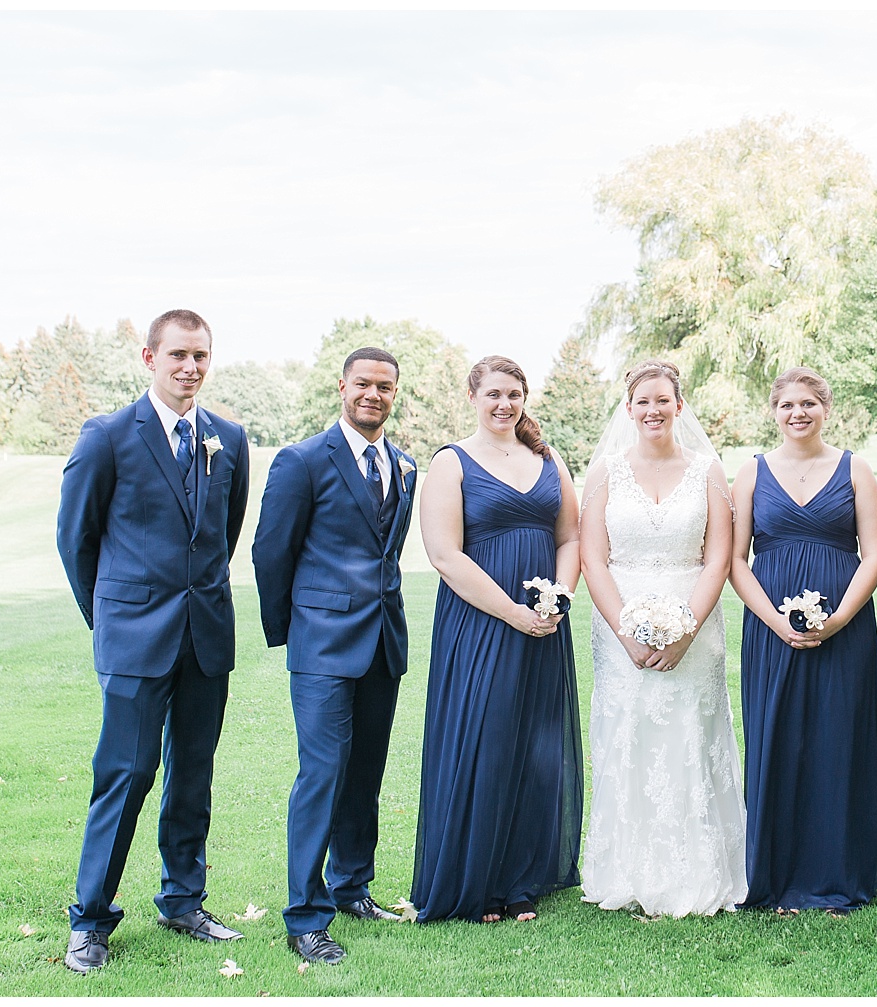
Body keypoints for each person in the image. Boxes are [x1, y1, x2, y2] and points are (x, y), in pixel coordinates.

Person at [55, 309, 250, 973]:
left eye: (201, 354)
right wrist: (112, 619)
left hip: (206, 638)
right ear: (148, 358)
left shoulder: (229, 438)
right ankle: (90, 919)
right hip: (135, 640)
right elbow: (75, 540)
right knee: (127, 773)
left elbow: (225, 532)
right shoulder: (108, 436)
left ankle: (182, 899)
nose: (191, 367)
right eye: (178, 355)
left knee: (192, 775)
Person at [252, 347, 418, 964]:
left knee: (365, 775)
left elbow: (388, 553)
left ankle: (352, 886)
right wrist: (294, 632)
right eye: (364, 384)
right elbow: (271, 552)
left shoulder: (403, 466)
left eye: (385, 386)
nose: (373, 395)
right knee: (322, 774)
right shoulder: (301, 461)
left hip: (383, 643)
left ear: (394, 394)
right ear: (342, 387)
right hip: (321, 645)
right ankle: (305, 916)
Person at [411, 355, 583, 924]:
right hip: (481, 621)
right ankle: (475, 881)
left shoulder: (546, 457)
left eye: (515, 394)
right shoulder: (450, 463)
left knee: (536, 746)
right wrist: (511, 611)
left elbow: (571, 536)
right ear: (472, 396)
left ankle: (520, 879)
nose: (505, 404)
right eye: (494, 394)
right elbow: (444, 555)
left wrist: (558, 597)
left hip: (544, 624)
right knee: (484, 738)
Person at [579, 360, 746, 918]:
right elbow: (593, 558)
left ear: (679, 405)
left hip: (692, 619)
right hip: (619, 622)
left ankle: (698, 871)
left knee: (689, 737)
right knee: (629, 736)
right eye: (642, 401)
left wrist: (686, 629)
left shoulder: (708, 471)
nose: (652, 410)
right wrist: (626, 630)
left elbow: (718, 557)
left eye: (662, 400)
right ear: (628, 409)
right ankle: (626, 871)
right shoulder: (605, 472)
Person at [730, 367, 877, 915]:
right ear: (773, 412)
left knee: (837, 739)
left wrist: (842, 617)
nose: (798, 413)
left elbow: (876, 553)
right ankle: (775, 874)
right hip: (770, 628)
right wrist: (776, 621)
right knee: (777, 738)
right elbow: (735, 561)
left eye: (809, 403)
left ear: (827, 408)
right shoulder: (752, 473)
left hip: (845, 628)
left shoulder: (855, 470)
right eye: (787, 405)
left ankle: (838, 871)